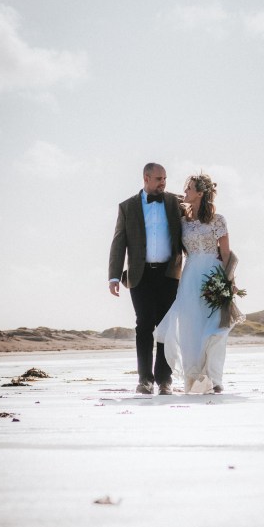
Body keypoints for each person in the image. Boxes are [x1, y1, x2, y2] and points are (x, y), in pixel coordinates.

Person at [156, 173, 244, 394]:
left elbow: (225, 254)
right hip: (190, 277)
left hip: (213, 276)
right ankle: (193, 377)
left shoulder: (218, 220)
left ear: (200, 193)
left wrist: (229, 281)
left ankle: (214, 378)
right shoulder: (182, 222)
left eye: (189, 188)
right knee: (190, 327)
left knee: (215, 327)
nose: (185, 192)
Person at [108, 163, 183, 395]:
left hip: (169, 274)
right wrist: (113, 276)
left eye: (165, 178)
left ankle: (164, 380)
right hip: (140, 276)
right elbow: (119, 242)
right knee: (144, 326)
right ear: (146, 178)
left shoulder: (175, 203)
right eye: (159, 178)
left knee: (166, 328)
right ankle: (144, 380)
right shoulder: (127, 206)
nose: (163, 183)